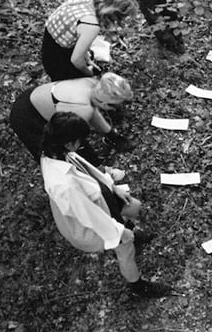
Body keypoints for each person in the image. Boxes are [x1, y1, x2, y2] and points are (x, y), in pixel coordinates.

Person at [40, 113, 171, 298]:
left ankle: (129, 231)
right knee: (126, 247)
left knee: (134, 207)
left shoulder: (57, 154)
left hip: (99, 200)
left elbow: (90, 173)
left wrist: (112, 188)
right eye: (80, 141)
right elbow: (89, 216)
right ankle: (138, 287)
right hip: (91, 223)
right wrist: (118, 232)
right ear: (69, 143)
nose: (82, 145)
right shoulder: (64, 185)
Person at [9, 72, 133, 166]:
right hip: (26, 116)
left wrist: (111, 135)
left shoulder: (93, 84)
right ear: (106, 105)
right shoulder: (81, 109)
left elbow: (93, 111)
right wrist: (95, 165)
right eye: (115, 105)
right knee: (51, 151)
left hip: (34, 96)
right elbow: (73, 141)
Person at [41, 0, 137, 81]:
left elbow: (77, 31)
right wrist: (88, 74)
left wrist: (86, 58)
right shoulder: (92, 25)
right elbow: (76, 60)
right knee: (83, 81)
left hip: (49, 40)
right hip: (56, 58)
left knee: (89, 57)